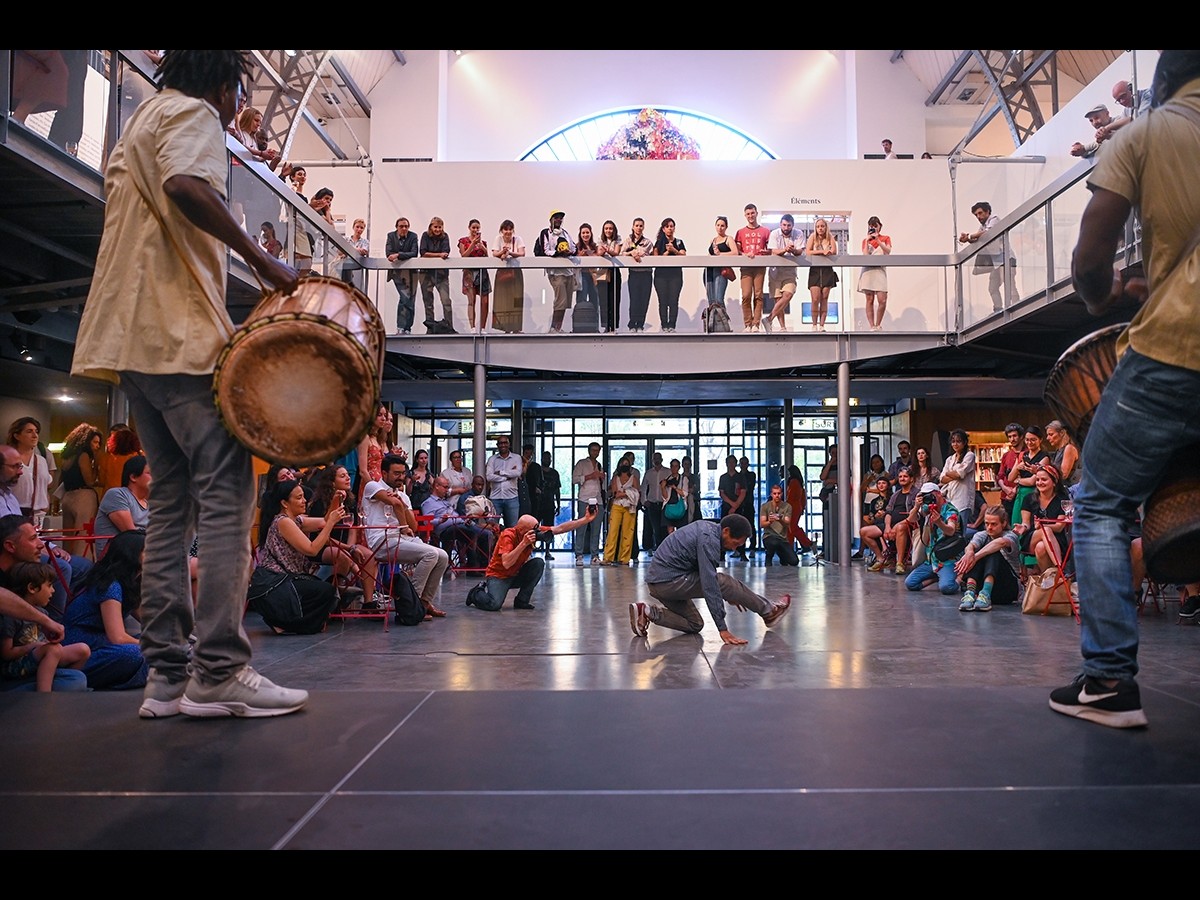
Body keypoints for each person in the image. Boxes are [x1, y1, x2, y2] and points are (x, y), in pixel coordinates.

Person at [70, 51, 306, 720]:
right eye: (238, 93)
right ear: (224, 83)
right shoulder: (196, 114)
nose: (237, 108)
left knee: (171, 508)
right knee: (232, 496)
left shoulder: (142, 118)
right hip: (176, 334)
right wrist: (263, 258)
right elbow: (185, 185)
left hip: (129, 339)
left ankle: (166, 679)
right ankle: (222, 671)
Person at [631, 515, 791, 645]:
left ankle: (646, 612)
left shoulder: (708, 530)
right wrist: (722, 628)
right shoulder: (709, 540)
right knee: (722, 582)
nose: (734, 548)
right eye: (735, 543)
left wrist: (731, 594)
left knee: (695, 624)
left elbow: (696, 568)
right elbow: (710, 584)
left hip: (661, 583)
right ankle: (769, 612)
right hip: (668, 581)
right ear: (726, 531)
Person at [362, 454, 450, 617]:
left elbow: (414, 525)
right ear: (384, 473)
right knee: (430, 554)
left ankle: (423, 603)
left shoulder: (403, 496)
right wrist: (402, 525)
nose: (401, 477)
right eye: (396, 473)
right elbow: (394, 506)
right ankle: (411, 604)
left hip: (403, 539)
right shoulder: (372, 486)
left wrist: (401, 503)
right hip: (382, 540)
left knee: (443, 556)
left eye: (403, 473)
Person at [251, 479, 343, 633]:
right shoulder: (283, 522)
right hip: (274, 583)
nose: (304, 500)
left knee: (326, 591)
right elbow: (312, 549)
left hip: (283, 580)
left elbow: (324, 521)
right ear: (285, 503)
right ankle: (285, 623)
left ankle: (286, 623)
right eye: (299, 497)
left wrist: (335, 501)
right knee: (324, 591)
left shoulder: (296, 520)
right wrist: (330, 524)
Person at [63, 530, 149, 690]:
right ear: (131, 555)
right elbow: (118, 638)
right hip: (83, 652)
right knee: (136, 653)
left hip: (104, 644)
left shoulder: (131, 581)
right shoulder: (110, 585)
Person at [468, 509, 597, 611]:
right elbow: (506, 563)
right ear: (523, 530)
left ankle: (522, 601)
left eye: (537, 528)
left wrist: (586, 519)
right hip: (498, 576)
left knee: (538, 563)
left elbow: (560, 528)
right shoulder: (508, 535)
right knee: (494, 604)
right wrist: (523, 544)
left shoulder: (533, 532)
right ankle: (476, 593)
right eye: (534, 529)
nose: (537, 531)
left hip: (515, 574)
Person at [0, 560, 89, 691]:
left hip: (40, 659)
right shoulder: (11, 617)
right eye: (49, 585)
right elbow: (6, 653)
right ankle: (44, 695)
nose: (53, 591)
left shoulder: (42, 613)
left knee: (83, 649)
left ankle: (55, 678)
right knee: (52, 651)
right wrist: (32, 647)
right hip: (16, 666)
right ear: (32, 588)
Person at [954, 505, 1024, 612]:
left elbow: (1000, 542)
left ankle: (985, 593)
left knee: (991, 551)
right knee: (974, 551)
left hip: (1007, 589)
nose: (989, 527)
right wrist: (969, 553)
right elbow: (971, 545)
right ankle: (970, 593)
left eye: (994, 524)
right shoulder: (982, 534)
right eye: (987, 523)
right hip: (981, 588)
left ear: (1004, 523)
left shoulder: (1011, 536)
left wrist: (975, 557)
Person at [903, 483, 963, 595]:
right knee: (910, 583)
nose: (928, 498)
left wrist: (939, 522)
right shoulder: (928, 507)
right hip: (933, 559)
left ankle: (960, 577)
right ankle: (936, 578)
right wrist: (917, 506)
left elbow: (951, 530)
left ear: (939, 494)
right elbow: (911, 520)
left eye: (930, 495)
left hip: (947, 558)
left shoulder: (950, 510)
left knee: (947, 588)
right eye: (924, 495)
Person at [422, 476, 493, 569]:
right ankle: (475, 566)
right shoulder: (428, 503)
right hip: (446, 530)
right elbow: (427, 522)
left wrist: (465, 519)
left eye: (448, 487)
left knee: (486, 533)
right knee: (471, 533)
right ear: (437, 486)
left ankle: (483, 566)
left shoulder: (445, 501)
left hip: (459, 524)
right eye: (445, 487)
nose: (447, 490)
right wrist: (440, 520)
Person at [958, 200, 1012, 312]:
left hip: (1006, 259)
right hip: (996, 262)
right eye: (976, 215)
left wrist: (970, 236)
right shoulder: (982, 227)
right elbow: (977, 239)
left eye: (980, 213)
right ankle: (998, 309)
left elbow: (988, 233)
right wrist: (967, 239)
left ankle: (1014, 307)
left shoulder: (994, 219)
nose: (978, 216)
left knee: (1009, 284)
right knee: (992, 288)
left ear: (987, 212)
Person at [57, 423, 102, 557]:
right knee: (83, 536)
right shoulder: (84, 456)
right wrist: (96, 466)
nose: (97, 446)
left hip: (68, 497)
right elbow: (89, 480)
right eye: (95, 442)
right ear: (87, 441)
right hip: (83, 497)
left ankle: (66, 562)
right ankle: (83, 566)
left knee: (68, 536)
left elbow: (61, 480)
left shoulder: (68, 457)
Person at [93, 455, 151, 557]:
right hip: (118, 561)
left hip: (143, 557)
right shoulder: (117, 495)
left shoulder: (150, 503)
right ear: (133, 477)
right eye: (150, 473)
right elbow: (132, 535)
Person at [7, 417, 54, 524]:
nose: (35, 435)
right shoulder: (8, 459)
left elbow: (46, 485)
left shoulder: (41, 461)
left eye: (36, 432)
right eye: (29, 431)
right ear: (17, 435)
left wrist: (45, 504)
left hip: (37, 515)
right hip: (13, 513)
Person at [537, 210, 576, 334]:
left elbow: (574, 247)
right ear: (551, 220)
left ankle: (558, 327)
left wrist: (570, 252)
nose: (559, 220)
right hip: (555, 272)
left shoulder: (565, 233)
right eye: (556, 218)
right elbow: (545, 250)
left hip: (568, 271)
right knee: (560, 300)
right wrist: (558, 253)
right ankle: (553, 327)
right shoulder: (545, 233)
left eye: (560, 218)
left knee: (565, 302)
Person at [735, 203, 771, 332]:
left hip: (760, 266)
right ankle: (747, 324)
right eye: (748, 214)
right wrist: (745, 255)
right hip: (746, 267)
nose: (750, 216)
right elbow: (737, 251)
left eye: (752, 213)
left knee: (758, 295)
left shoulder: (765, 231)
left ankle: (756, 324)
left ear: (756, 213)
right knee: (746, 295)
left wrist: (766, 253)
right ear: (745, 215)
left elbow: (770, 249)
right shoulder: (740, 232)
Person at [766, 214, 802, 332]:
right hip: (775, 270)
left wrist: (793, 250)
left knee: (788, 295)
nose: (786, 228)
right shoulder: (774, 234)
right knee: (778, 300)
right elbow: (774, 250)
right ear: (780, 224)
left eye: (789, 225)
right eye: (784, 225)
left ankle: (769, 319)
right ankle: (783, 327)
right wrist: (785, 249)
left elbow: (800, 251)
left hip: (790, 270)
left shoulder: (798, 233)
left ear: (793, 225)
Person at [571, 442, 605, 566]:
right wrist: (590, 476)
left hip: (598, 500)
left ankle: (594, 555)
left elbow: (602, 484)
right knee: (581, 527)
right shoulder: (581, 463)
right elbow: (574, 479)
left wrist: (601, 477)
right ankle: (579, 555)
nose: (595, 452)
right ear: (589, 450)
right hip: (584, 499)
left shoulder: (599, 465)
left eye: (598, 450)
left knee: (596, 529)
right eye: (593, 450)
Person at [419, 216, 455, 333]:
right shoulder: (425, 235)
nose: (438, 229)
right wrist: (439, 255)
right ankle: (430, 328)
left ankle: (449, 327)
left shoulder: (445, 236)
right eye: (435, 227)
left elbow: (446, 251)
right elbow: (423, 253)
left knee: (446, 301)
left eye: (440, 227)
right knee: (428, 302)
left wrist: (437, 255)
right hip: (426, 274)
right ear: (431, 227)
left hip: (441, 275)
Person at [492, 218, 526, 333]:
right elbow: (494, 253)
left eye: (510, 229)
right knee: (502, 299)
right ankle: (505, 328)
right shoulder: (498, 239)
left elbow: (522, 253)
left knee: (516, 300)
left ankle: (516, 328)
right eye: (505, 229)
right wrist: (502, 252)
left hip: (515, 272)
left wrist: (509, 253)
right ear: (502, 230)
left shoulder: (518, 239)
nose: (508, 232)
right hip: (503, 272)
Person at [602, 459, 639, 566]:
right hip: (617, 506)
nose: (625, 465)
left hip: (630, 507)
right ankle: (608, 557)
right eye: (623, 464)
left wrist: (623, 493)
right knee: (612, 531)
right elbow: (615, 494)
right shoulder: (615, 478)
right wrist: (627, 493)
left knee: (628, 532)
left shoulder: (633, 478)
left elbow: (636, 493)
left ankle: (624, 558)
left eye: (627, 464)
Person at [386, 217, 419, 334]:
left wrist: (398, 255)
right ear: (397, 227)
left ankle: (407, 328)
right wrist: (397, 255)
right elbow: (388, 254)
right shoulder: (391, 236)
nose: (404, 228)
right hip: (397, 272)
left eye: (406, 226)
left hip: (412, 273)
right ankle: (400, 327)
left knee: (411, 299)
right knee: (404, 298)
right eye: (401, 226)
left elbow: (414, 253)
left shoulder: (413, 236)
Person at [652, 218, 686, 333]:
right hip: (661, 276)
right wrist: (666, 253)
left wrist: (674, 250)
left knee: (673, 301)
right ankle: (664, 325)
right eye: (667, 226)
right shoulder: (659, 242)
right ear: (663, 229)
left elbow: (683, 255)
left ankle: (672, 325)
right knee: (663, 301)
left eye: (672, 226)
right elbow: (655, 258)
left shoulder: (679, 241)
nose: (670, 229)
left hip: (675, 275)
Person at [858, 216, 891, 331]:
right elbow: (866, 256)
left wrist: (878, 240)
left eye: (875, 226)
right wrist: (868, 240)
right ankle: (872, 326)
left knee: (882, 299)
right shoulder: (865, 240)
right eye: (871, 226)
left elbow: (888, 251)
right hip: (868, 271)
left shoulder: (886, 238)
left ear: (879, 226)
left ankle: (878, 324)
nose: (873, 228)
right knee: (869, 299)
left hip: (880, 270)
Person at [805, 217, 839, 332]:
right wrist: (821, 252)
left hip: (827, 270)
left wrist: (827, 252)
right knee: (815, 298)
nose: (820, 228)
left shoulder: (830, 238)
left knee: (824, 298)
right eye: (818, 226)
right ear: (815, 228)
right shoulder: (812, 237)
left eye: (822, 226)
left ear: (826, 227)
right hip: (815, 271)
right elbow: (808, 252)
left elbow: (834, 251)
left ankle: (822, 325)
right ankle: (814, 324)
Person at [938, 428, 977, 525]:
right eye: (953, 441)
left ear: (964, 442)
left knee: (960, 531)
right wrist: (954, 474)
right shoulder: (950, 459)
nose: (955, 444)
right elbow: (942, 478)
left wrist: (950, 473)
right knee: (950, 529)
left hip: (963, 500)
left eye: (958, 441)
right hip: (950, 499)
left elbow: (960, 473)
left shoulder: (969, 455)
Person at [458, 218, 491, 333]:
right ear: (469, 228)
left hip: (482, 272)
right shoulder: (463, 241)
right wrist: (472, 244)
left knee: (485, 301)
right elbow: (464, 256)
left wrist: (483, 248)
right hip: (469, 273)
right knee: (471, 301)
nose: (475, 230)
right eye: (473, 228)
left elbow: (488, 258)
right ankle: (472, 327)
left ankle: (482, 328)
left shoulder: (483, 243)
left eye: (477, 228)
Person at [621, 217, 654, 332]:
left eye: (641, 226)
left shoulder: (648, 242)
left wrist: (642, 254)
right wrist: (631, 253)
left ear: (643, 227)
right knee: (634, 299)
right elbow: (621, 254)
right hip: (634, 274)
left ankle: (640, 324)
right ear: (633, 227)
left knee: (644, 300)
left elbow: (652, 256)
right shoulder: (628, 241)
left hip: (646, 274)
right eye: (637, 225)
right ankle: (632, 325)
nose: (639, 228)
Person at [485, 436, 522, 528]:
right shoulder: (492, 459)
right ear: (497, 445)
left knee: (512, 528)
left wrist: (501, 472)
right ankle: (495, 543)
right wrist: (506, 477)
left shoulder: (516, 458)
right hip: (495, 498)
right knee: (493, 528)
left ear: (509, 444)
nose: (503, 445)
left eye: (505, 443)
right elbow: (489, 477)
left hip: (512, 498)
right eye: (500, 443)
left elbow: (517, 473)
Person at [705, 215, 737, 315]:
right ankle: (712, 325)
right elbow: (710, 255)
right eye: (718, 225)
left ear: (726, 227)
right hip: (709, 270)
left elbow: (735, 253)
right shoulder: (713, 240)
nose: (720, 227)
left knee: (719, 299)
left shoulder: (729, 239)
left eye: (722, 225)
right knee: (711, 301)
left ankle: (723, 325)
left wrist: (720, 254)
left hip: (720, 271)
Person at [760, 484, 798, 566]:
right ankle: (769, 556)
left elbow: (787, 522)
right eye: (775, 493)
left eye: (779, 493)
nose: (777, 495)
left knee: (794, 561)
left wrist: (780, 519)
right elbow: (762, 524)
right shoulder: (765, 506)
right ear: (771, 494)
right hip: (769, 536)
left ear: (782, 494)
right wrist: (770, 521)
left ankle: (782, 556)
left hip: (782, 539)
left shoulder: (787, 506)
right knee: (773, 542)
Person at [718, 455, 748, 560]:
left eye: (733, 462)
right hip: (726, 506)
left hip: (738, 507)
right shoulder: (723, 477)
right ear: (726, 464)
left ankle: (742, 553)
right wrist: (731, 504)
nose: (731, 464)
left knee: (740, 529)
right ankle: (721, 554)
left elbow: (743, 492)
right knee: (723, 530)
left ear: (736, 464)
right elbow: (722, 493)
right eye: (729, 462)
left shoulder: (741, 477)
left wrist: (735, 506)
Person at [595, 220, 622, 333]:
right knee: (603, 300)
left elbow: (616, 252)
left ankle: (613, 326)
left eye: (610, 228)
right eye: (606, 228)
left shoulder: (618, 239)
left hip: (614, 271)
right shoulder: (600, 240)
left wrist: (608, 250)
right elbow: (599, 253)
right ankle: (606, 325)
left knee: (615, 299)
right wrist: (603, 250)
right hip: (603, 271)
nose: (608, 230)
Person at [996, 423, 1024, 525]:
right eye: (1010, 436)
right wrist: (1005, 488)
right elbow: (1000, 476)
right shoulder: (1006, 455)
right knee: (1005, 526)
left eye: (1015, 436)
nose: (1012, 439)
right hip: (1006, 496)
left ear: (1021, 436)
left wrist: (1014, 490)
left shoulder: (1027, 454)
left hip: (1021, 495)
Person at [642, 451, 669, 554]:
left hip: (664, 504)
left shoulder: (667, 472)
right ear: (652, 461)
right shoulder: (649, 473)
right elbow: (643, 487)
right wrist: (644, 501)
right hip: (652, 504)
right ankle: (658, 550)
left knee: (664, 528)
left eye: (658, 458)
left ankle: (665, 551)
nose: (656, 460)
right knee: (655, 528)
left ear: (661, 459)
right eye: (655, 459)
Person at [538, 451, 562, 558]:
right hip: (537, 504)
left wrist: (558, 504)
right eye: (545, 458)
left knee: (549, 528)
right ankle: (530, 549)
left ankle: (547, 550)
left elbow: (557, 490)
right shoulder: (537, 472)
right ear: (541, 459)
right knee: (533, 527)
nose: (547, 460)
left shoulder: (554, 473)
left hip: (549, 504)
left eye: (549, 458)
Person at [340, 217, 370, 290]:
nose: (359, 229)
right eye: (357, 227)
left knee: (357, 288)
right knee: (345, 286)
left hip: (358, 267)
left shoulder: (365, 241)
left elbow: (364, 251)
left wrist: (348, 250)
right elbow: (340, 251)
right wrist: (358, 250)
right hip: (345, 266)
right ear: (353, 227)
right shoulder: (346, 239)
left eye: (361, 228)